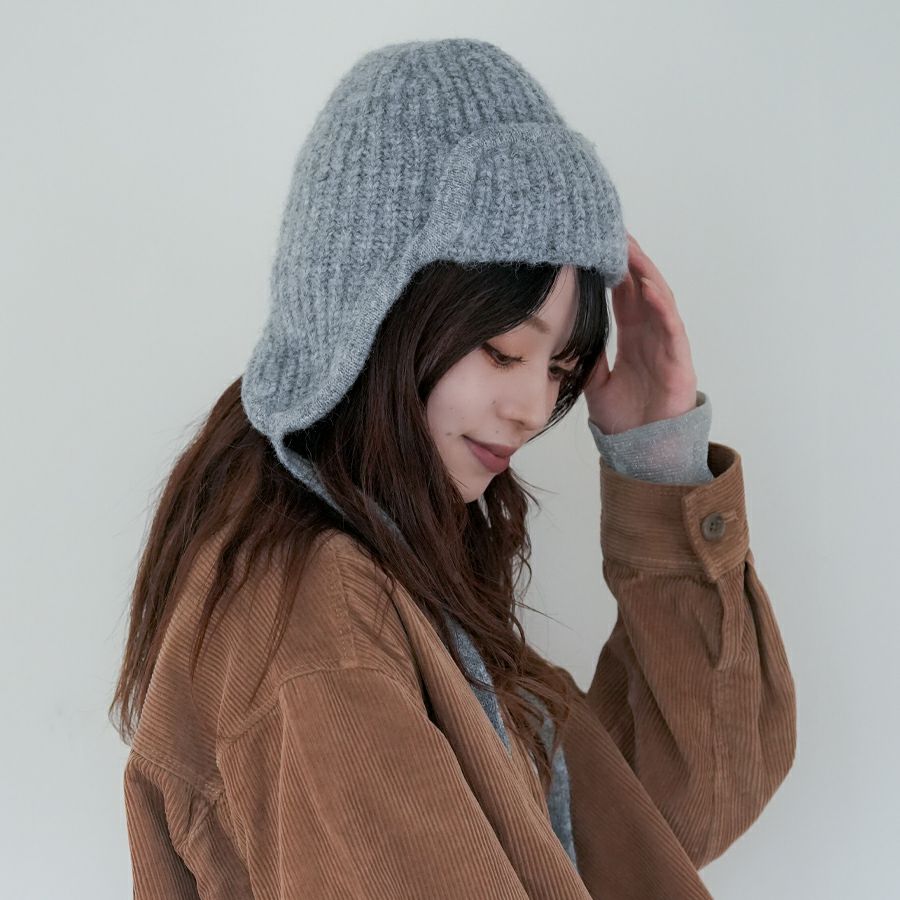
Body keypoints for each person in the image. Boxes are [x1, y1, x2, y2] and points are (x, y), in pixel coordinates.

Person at [110, 37, 796, 899]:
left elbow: (672, 808)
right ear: (373, 314)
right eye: (503, 350)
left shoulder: (403, 586)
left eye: (561, 369)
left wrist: (658, 458)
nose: (534, 409)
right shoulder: (319, 619)